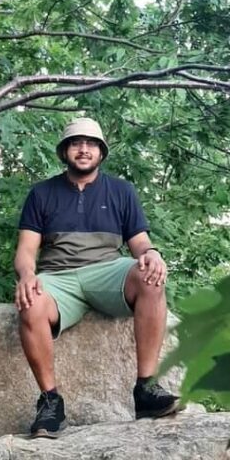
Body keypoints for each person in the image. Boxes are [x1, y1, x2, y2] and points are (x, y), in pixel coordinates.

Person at [13, 117, 182, 439]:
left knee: (151, 277)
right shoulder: (42, 193)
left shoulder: (121, 190)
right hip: (58, 277)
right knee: (30, 301)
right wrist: (26, 275)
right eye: (76, 143)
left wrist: (153, 253)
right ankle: (51, 402)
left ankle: (146, 389)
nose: (83, 149)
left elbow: (140, 242)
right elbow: (26, 250)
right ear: (65, 151)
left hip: (107, 270)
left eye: (91, 144)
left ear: (101, 152)